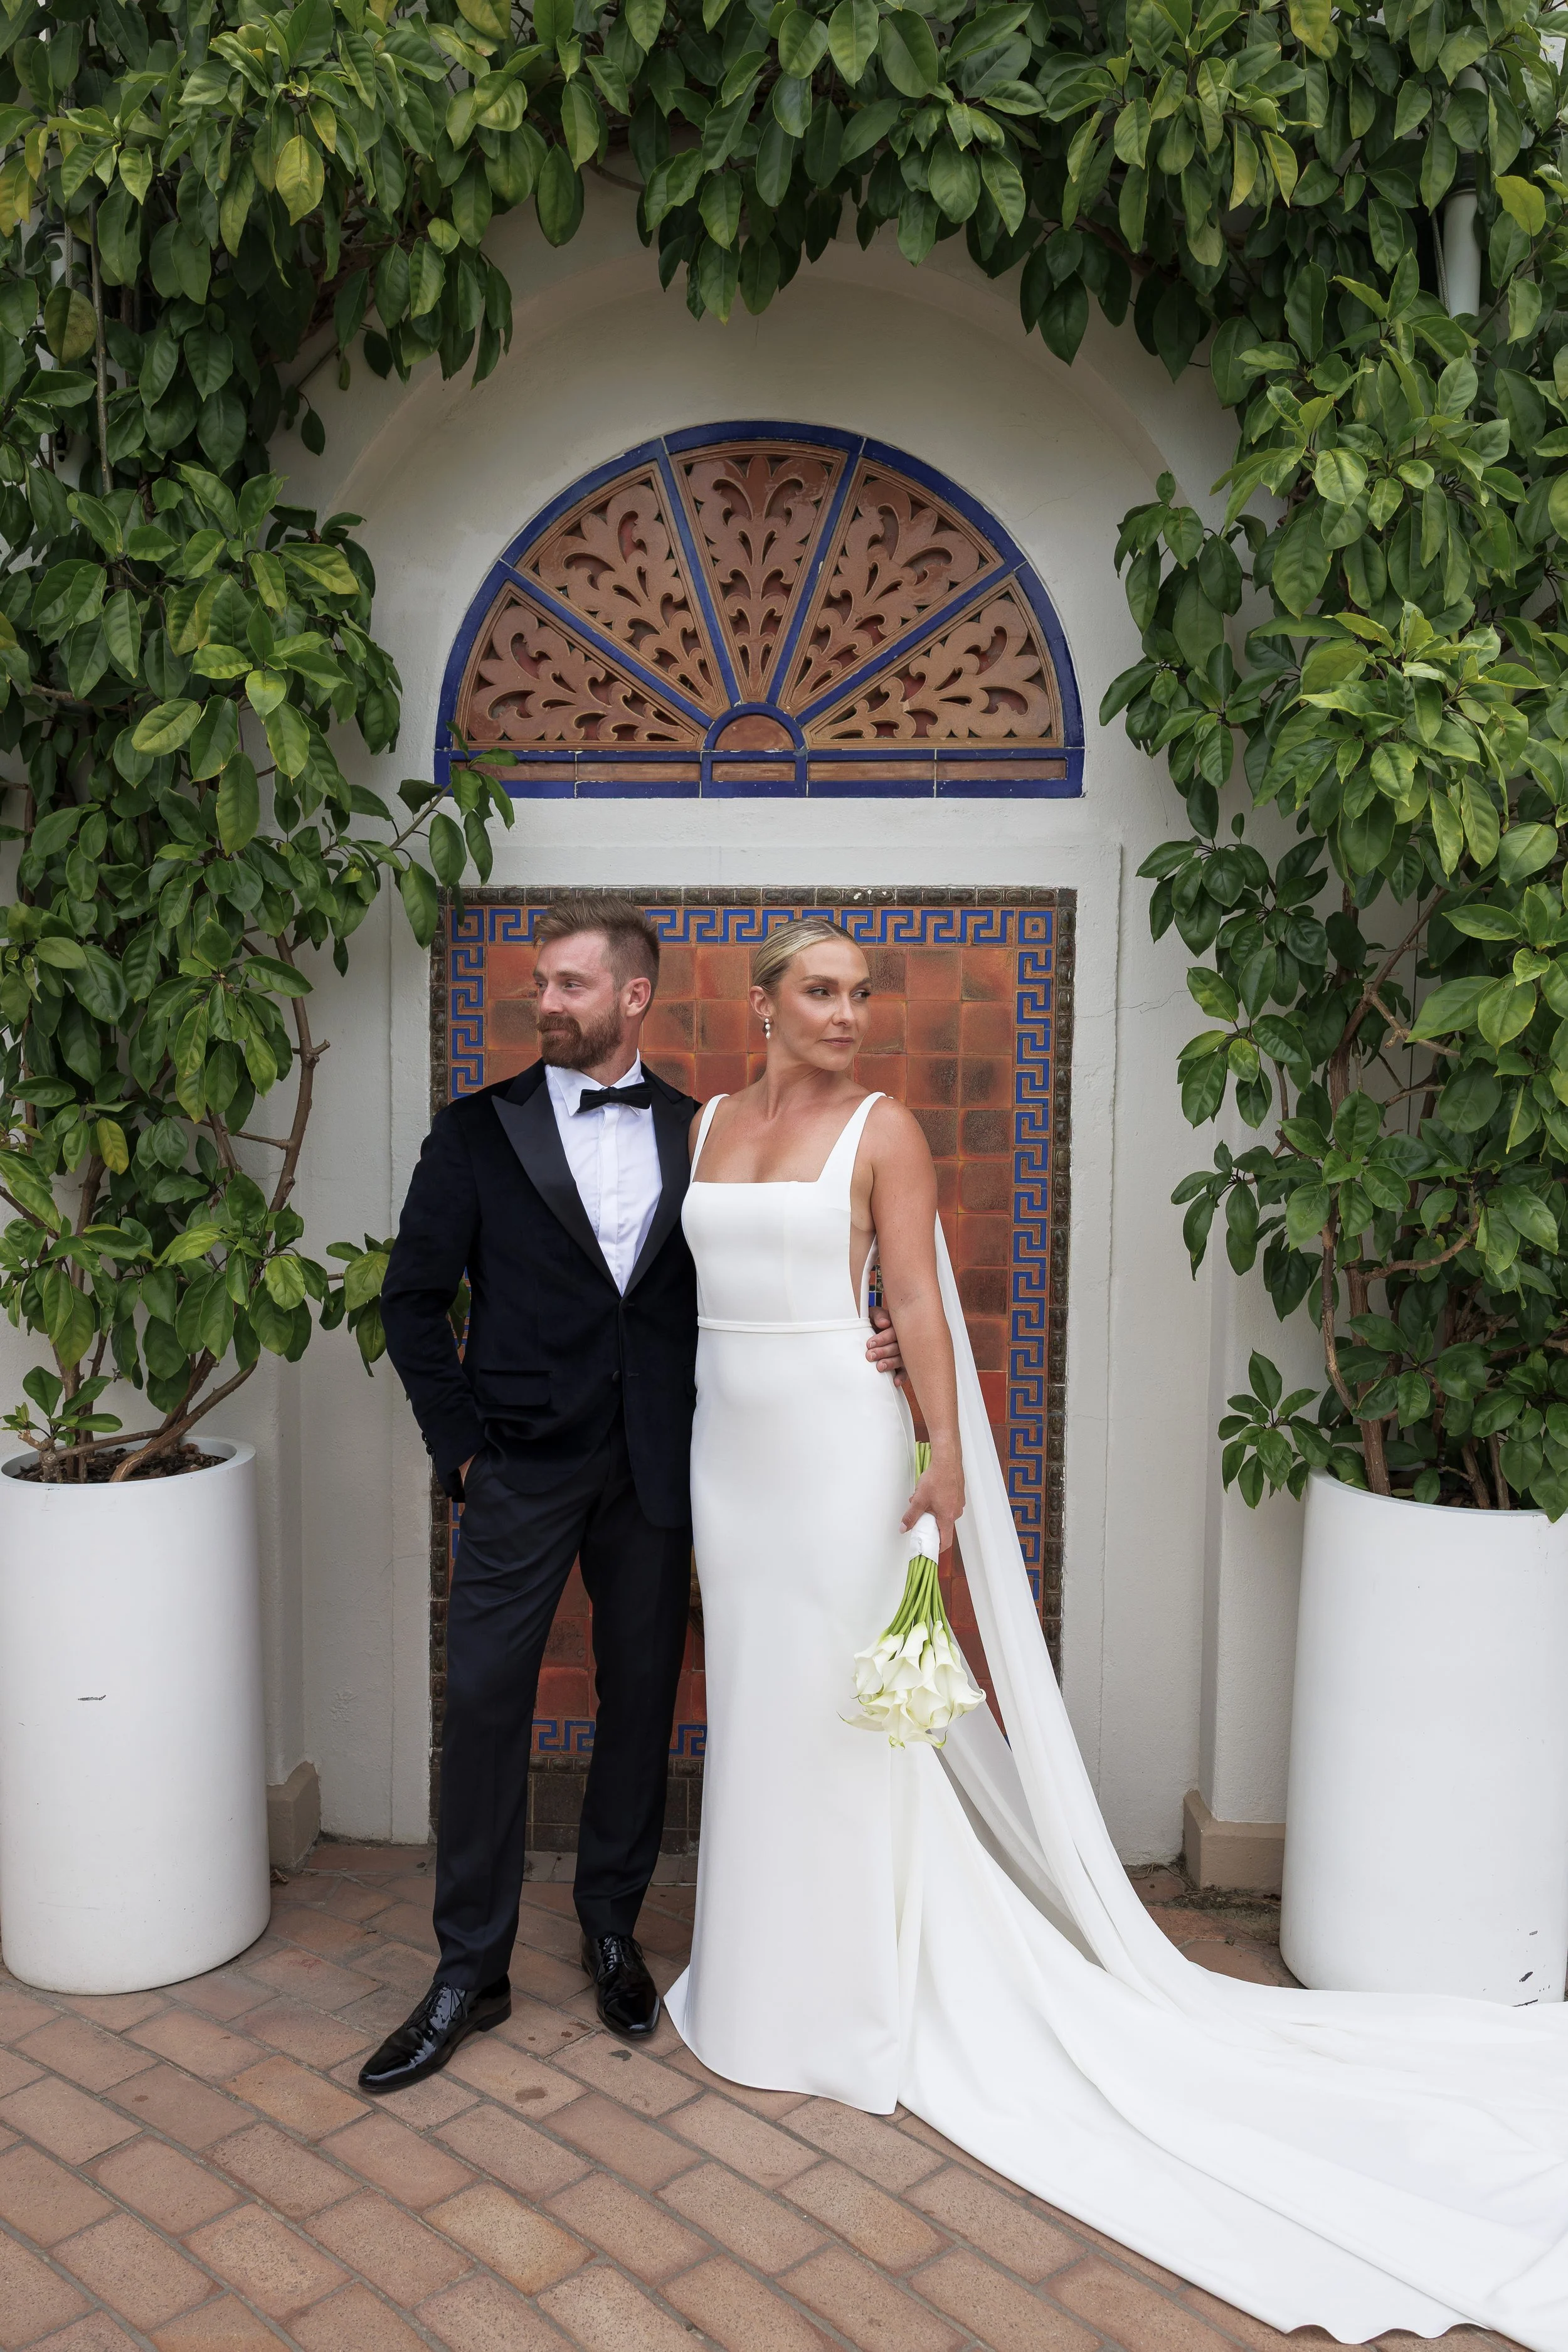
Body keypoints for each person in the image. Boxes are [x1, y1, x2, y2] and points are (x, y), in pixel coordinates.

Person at [667, 913, 1568, 2352]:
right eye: (819, 993)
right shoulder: (704, 1121)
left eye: (858, 994)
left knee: (851, 1716)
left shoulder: (885, 1129)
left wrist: (941, 1457)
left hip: (840, 1450)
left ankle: (842, 2000)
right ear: (758, 1003)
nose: (846, 1015)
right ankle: (754, 1974)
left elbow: (913, 1299)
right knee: (761, 1707)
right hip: (731, 1451)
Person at [361, 894, 901, 2092]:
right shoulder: (475, 1131)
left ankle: (613, 1923)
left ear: (632, 996)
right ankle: (469, 1968)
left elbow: (778, 1256)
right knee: (488, 1697)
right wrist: (460, 1450)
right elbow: (410, 1299)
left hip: (662, 1468)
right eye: (540, 984)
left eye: (568, 985)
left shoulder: (698, 1133)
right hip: (516, 1465)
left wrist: (883, 1330)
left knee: (642, 1697)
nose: (542, 1002)